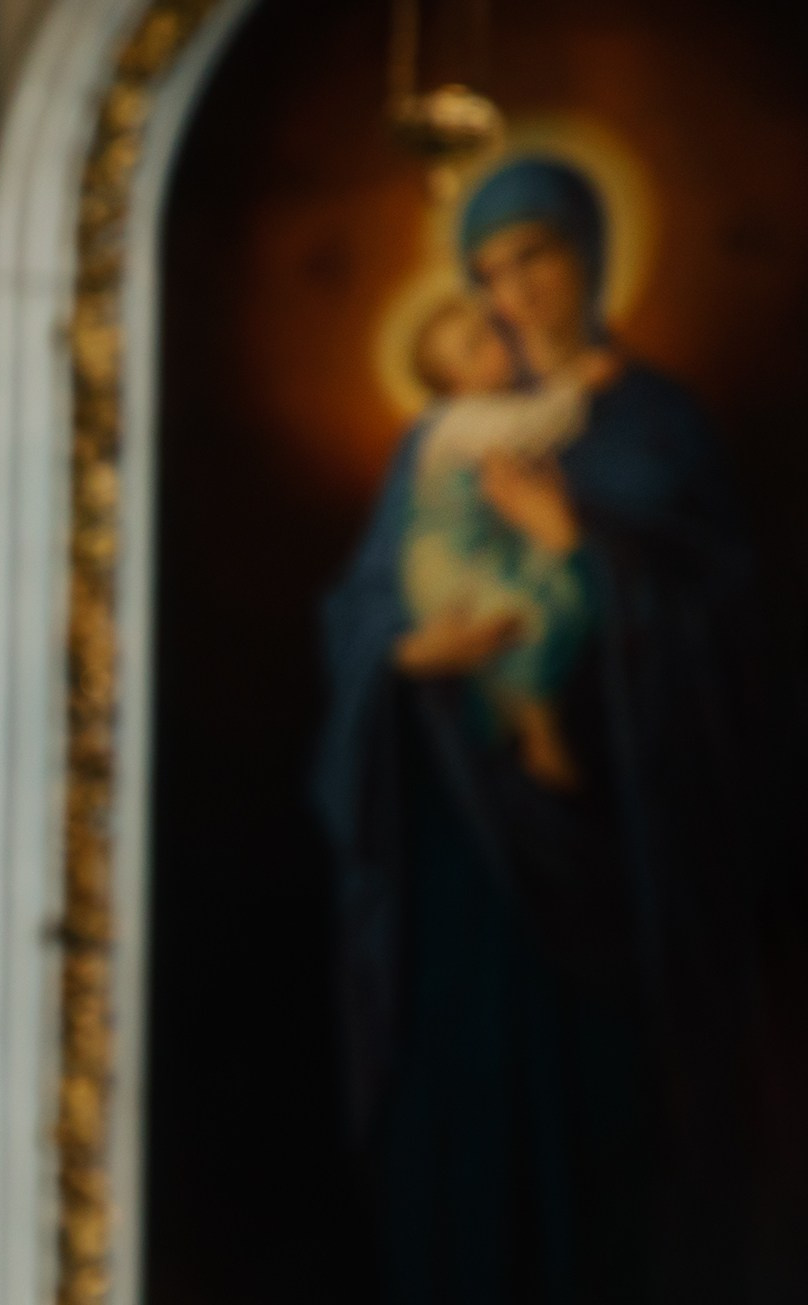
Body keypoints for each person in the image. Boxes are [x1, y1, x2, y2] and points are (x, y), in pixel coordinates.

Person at [318, 155, 808, 1304]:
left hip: (622, 850)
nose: (511, 292)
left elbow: (727, 636)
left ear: (587, 253)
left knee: (606, 1127)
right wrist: (406, 655)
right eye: (488, 271)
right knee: (468, 1111)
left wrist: (574, 543)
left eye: (531, 256)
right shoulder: (438, 439)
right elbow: (364, 611)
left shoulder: (655, 427)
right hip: (461, 840)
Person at [399, 295, 621, 792]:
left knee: (559, 595)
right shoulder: (461, 421)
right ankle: (541, 740)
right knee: (524, 619)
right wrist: (580, 382)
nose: (496, 343)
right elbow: (533, 426)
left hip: (490, 550)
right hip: (450, 567)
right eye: (475, 345)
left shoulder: (489, 410)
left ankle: (531, 726)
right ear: (455, 382)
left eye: (488, 331)